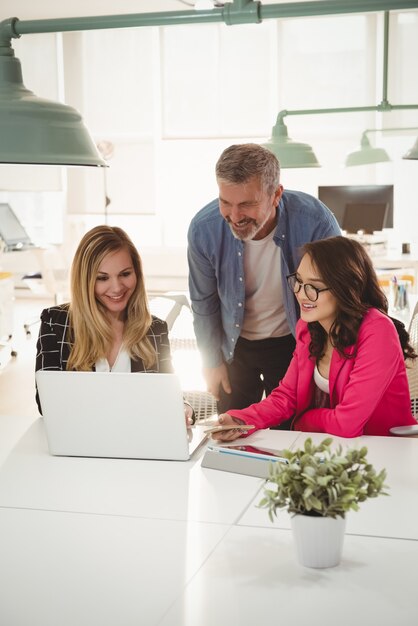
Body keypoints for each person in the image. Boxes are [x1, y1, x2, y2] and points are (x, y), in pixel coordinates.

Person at [210, 235, 417, 440]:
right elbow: (286, 397)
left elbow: (347, 423)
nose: (301, 293)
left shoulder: (378, 331)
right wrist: (240, 421)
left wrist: (305, 420)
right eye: (298, 281)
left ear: (345, 288)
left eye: (314, 287)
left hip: (386, 451)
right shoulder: (309, 328)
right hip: (336, 449)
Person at [187, 143, 341, 416]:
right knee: (233, 433)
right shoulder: (204, 229)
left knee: (291, 434)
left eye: (247, 204)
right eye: (226, 202)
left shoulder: (316, 222)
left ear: (276, 195)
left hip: (295, 343)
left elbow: (336, 298)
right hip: (233, 346)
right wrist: (210, 361)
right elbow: (203, 301)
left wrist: (328, 363)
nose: (234, 216)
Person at [35, 225, 194, 423]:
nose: (117, 287)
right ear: (85, 280)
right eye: (102, 278)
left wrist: (183, 406)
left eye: (125, 274)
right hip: (79, 444)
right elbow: (46, 403)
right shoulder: (55, 323)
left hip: (138, 443)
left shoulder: (154, 329)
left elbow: (169, 392)